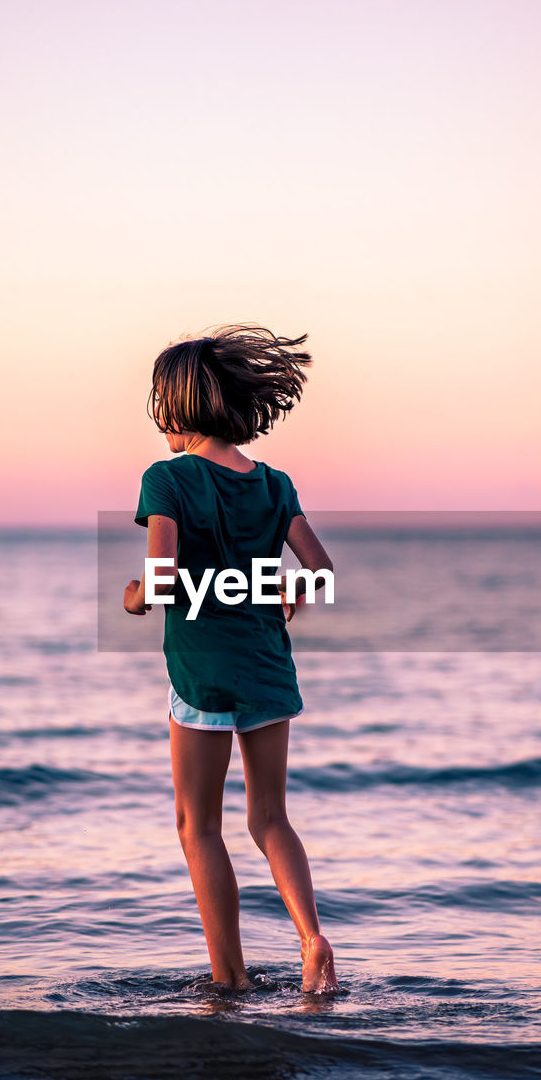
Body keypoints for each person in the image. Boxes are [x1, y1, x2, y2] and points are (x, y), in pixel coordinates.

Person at [123, 324, 339, 994]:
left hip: (204, 676)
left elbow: (159, 583)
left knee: (198, 825)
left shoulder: (168, 480)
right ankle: (311, 939)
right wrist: (285, 597)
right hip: (269, 669)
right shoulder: (274, 483)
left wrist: (132, 599)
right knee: (270, 817)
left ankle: (232, 979)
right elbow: (321, 570)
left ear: (178, 407)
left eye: (159, 403)